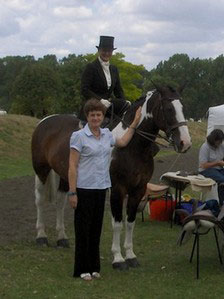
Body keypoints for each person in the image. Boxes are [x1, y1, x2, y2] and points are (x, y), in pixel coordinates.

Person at [68, 98, 141, 281]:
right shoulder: (79, 136)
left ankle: (94, 267)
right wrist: (72, 192)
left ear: (102, 117)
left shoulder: (107, 135)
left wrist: (134, 123)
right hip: (84, 188)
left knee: (95, 230)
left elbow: (123, 141)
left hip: (101, 188)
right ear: (87, 116)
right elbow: (72, 166)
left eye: (98, 115)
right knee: (83, 230)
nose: (95, 118)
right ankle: (81, 268)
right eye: (92, 115)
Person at [80, 35, 129, 121]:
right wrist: (100, 100)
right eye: (104, 51)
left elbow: (118, 91)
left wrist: (124, 102)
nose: (106, 53)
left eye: (109, 51)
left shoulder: (114, 69)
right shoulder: (91, 67)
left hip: (108, 107)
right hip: (92, 106)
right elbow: (84, 89)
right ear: (99, 50)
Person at [198, 129, 224, 203]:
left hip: (219, 169)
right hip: (206, 170)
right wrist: (217, 163)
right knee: (222, 179)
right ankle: (223, 202)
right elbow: (203, 165)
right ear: (213, 140)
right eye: (219, 141)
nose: (221, 142)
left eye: (221, 141)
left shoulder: (222, 146)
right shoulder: (205, 147)